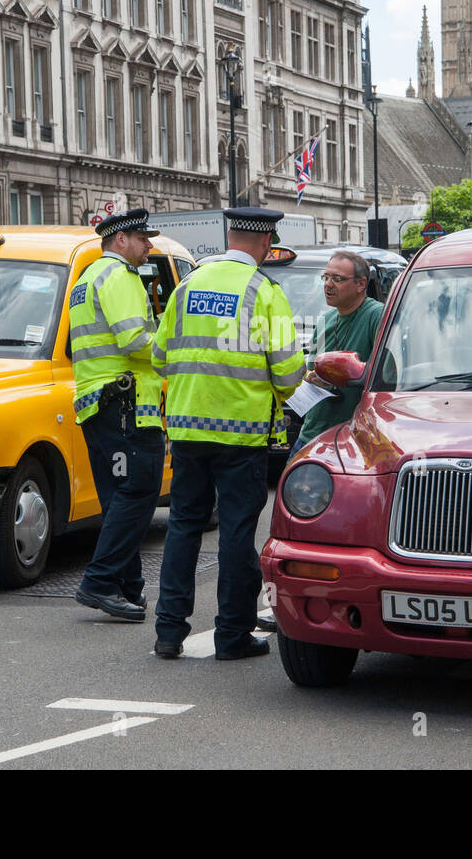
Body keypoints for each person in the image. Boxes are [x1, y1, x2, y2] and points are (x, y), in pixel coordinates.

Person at [151, 207, 305, 660]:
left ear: (230, 236)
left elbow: (160, 357)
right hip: (241, 435)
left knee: (183, 526)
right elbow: (289, 373)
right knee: (237, 532)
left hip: (186, 429)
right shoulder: (264, 290)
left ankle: (168, 632)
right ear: (264, 241)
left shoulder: (187, 285)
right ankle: (232, 635)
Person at [69, 208, 166, 623]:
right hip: (126, 406)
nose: (149, 245)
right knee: (140, 490)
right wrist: (174, 343)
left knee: (117, 496)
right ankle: (101, 581)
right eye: (143, 238)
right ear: (120, 240)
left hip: (99, 404)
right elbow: (135, 341)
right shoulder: (120, 276)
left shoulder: (86, 278)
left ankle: (127, 587)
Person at [292, 250, 385, 455]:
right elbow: (310, 372)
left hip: (352, 439)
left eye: (337, 279)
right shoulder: (325, 320)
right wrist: (313, 378)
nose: (328, 284)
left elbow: (386, 375)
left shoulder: (377, 316)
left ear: (361, 284)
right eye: (325, 277)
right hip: (311, 434)